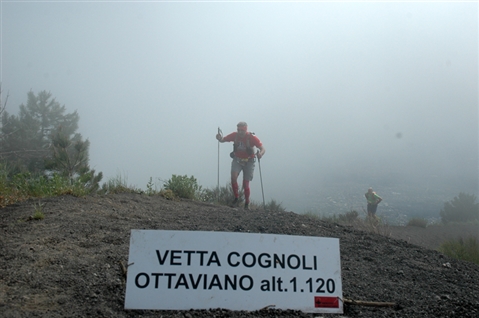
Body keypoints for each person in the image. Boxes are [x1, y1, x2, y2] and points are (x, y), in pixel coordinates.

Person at [216, 122, 265, 210]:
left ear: (245, 130)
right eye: (238, 130)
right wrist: (219, 138)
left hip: (249, 161)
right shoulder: (235, 135)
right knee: (233, 177)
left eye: (242, 130)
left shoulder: (252, 137)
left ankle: (247, 202)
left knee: (245, 184)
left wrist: (260, 154)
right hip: (237, 159)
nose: (240, 132)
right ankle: (236, 198)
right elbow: (223, 139)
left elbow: (262, 148)